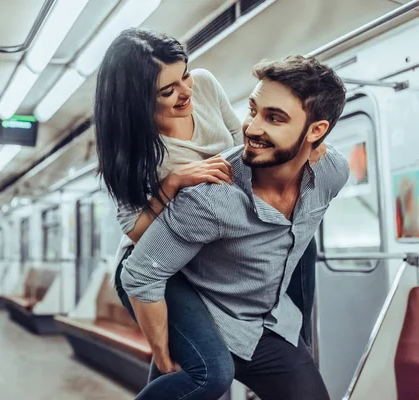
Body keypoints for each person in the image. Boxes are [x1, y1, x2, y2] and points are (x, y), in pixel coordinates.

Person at [95, 27, 318, 399]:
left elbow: (241, 143)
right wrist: (173, 183)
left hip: (218, 252)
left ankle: (297, 341)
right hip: (163, 268)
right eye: (168, 91)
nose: (186, 92)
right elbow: (136, 232)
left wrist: (298, 145)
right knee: (210, 374)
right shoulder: (130, 148)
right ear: (137, 100)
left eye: (184, 74)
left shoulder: (204, 85)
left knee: (301, 241)